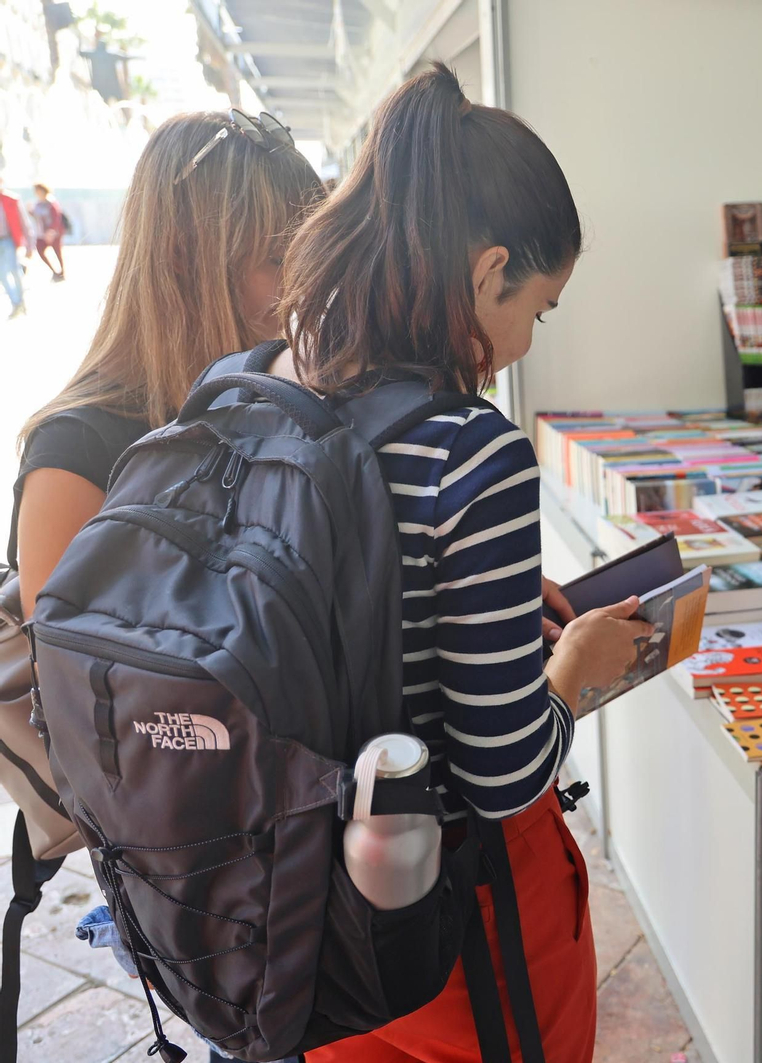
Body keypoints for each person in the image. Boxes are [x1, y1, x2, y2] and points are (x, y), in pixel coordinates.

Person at [268, 64, 653, 1063]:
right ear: (488, 274)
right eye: (541, 307)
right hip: (446, 919)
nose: (524, 340)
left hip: (301, 899)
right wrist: (574, 673)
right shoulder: (469, 449)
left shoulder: (276, 384)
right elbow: (503, 767)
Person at [12, 112, 323, 1063]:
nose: (305, 289)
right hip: (206, 885)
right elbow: (86, 720)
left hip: (311, 841)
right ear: (194, 260)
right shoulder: (79, 448)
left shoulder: (280, 400)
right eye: (282, 259)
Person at [0, 188, 28, 317]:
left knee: (15, 271)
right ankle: (15, 303)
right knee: (2, 274)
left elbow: (24, 222)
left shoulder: (11, 199)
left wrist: (29, 244)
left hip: (9, 240)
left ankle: (21, 301)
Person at [29, 183, 65, 281]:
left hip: (53, 233)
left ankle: (62, 272)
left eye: (39, 190)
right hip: (41, 233)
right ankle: (54, 271)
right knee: (40, 250)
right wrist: (30, 212)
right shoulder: (37, 204)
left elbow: (56, 218)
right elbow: (36, 217)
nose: (37, 193)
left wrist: (51, 231)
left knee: (57, 251)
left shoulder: (51, 203)